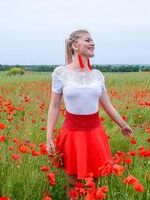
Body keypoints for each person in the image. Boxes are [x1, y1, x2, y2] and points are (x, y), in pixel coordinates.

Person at [46, 29, 133, 199]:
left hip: (95, 134)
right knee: (73, 183)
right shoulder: (60, 73)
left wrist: (123, 125)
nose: (92, 43)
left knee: (94, 182)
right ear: (75, 46)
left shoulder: (97, 76)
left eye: (92, 40)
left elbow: (108, 106)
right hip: (72, 134)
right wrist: (48, 136)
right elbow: (54, 106)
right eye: (88, 40)